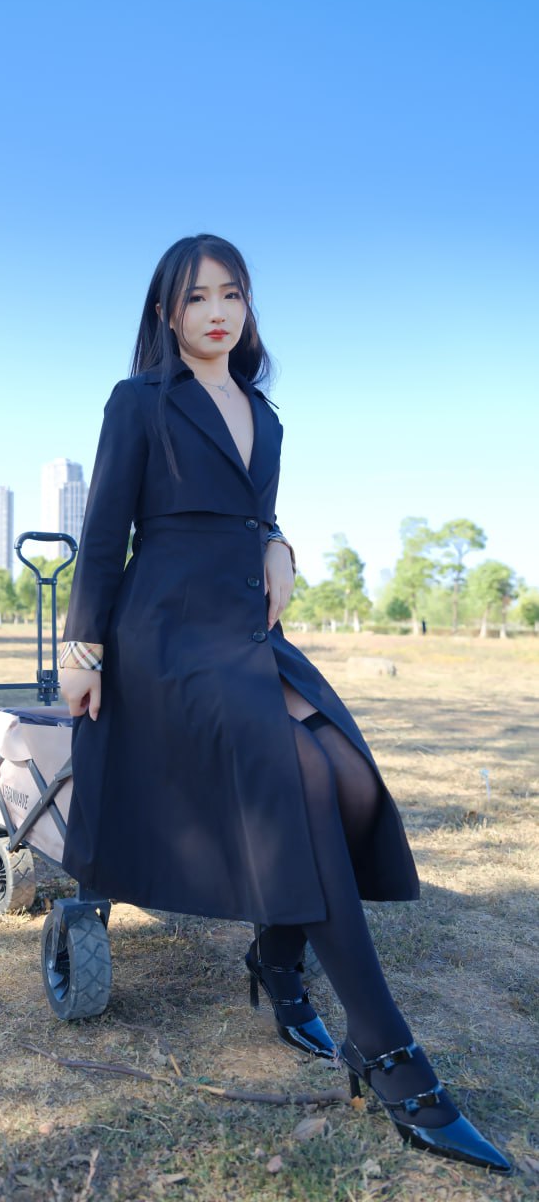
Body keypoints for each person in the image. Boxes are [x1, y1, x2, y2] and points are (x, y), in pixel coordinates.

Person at [57, 234, 510, 1174]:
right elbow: (104, 531)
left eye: (231, 294)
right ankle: (386, 1051)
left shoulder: (263, 411)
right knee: (299, 776)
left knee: (344, 773)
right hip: (166, 629)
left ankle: (273, 958)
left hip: (242, 624)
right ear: (165, 313)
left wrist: (280, 545)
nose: (216, 312)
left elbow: (253, 511)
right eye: (196, 297)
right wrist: (83, 648)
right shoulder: (139, 400)